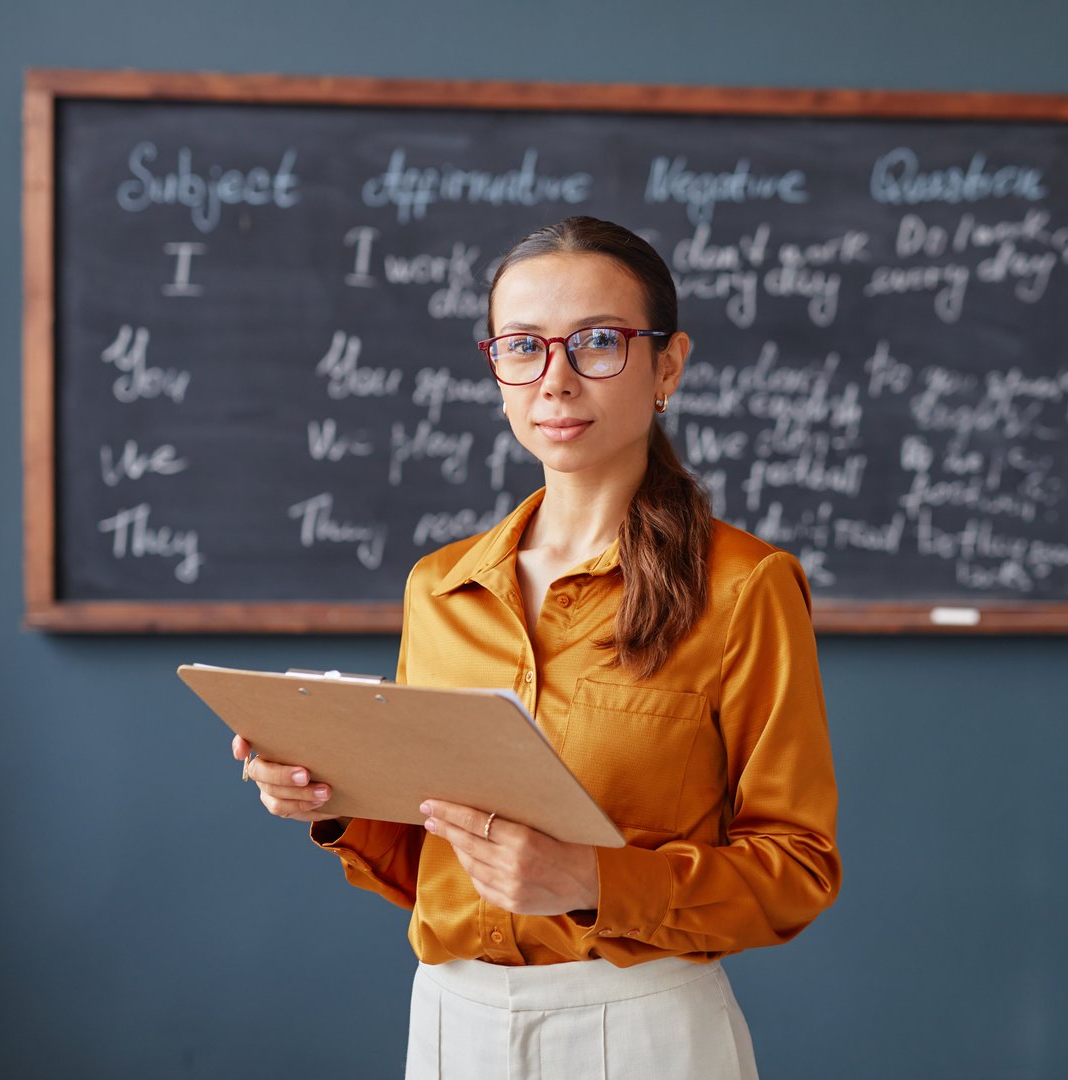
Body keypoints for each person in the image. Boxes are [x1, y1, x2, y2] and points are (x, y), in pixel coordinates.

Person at [233, 215, 841, 1079]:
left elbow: (797, 871)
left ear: (667, 366)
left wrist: (595, 880)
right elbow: (431, 864)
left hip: (642, 1028)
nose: (555, 380)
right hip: (452, 1021)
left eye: (598, 342)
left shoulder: (745, 587)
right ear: (498, 370)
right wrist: (330, 795)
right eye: (523, 347)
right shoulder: (440, 589)